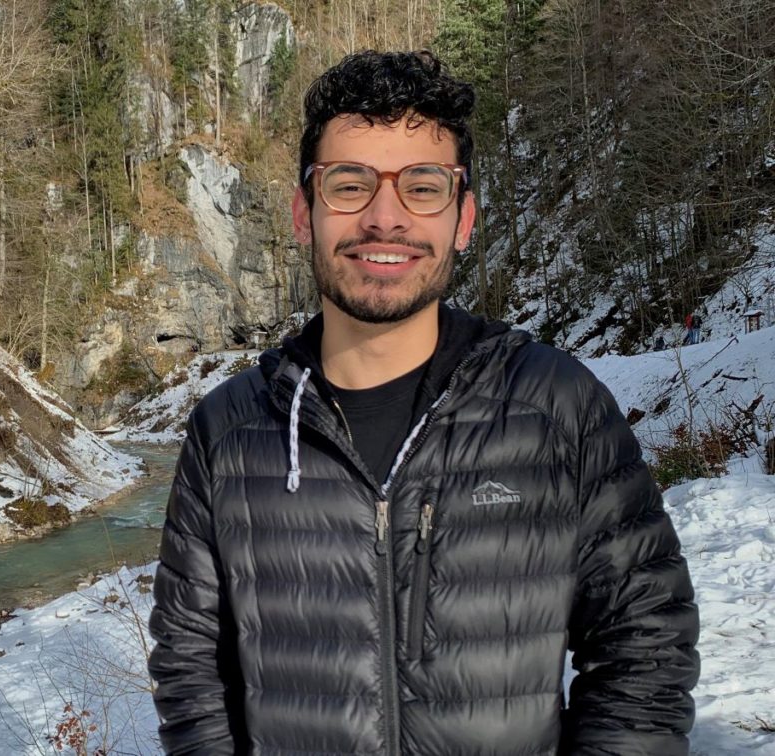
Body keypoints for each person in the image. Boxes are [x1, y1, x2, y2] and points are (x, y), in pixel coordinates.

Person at [149, 50, 699, 755]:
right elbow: (190, 668)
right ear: (303, 212)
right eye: (348, 184)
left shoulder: (557, 408)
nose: (385, 218)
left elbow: (646, 646)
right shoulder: (228, 430)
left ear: (463, 218)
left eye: (423, 186)